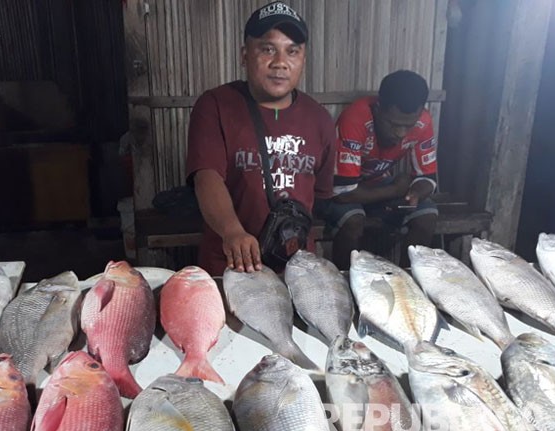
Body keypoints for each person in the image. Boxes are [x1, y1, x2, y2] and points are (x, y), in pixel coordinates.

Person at [185, 1, 335, 275]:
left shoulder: (320, 119)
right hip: (232, 266)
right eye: (267, 49)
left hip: (298, 269)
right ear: (244, 55)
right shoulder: (215, 105)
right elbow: (206, 177)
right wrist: (232, 231)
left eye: (293, 51)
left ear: (303, 58)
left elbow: (321, 194)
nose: (280, 63)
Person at [315, 70, 439, 269]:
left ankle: (409, 284)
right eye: (394, 124)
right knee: (353, 221)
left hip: (377, 185)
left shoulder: (423, 122)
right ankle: (348, 284)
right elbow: (342, 193)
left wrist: (413, 194)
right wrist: (396, 191)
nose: (401, 134)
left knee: (427, 215)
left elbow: (428, 179)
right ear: (379, 108)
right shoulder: (356, 118)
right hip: (334, 190)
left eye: (408, 126)